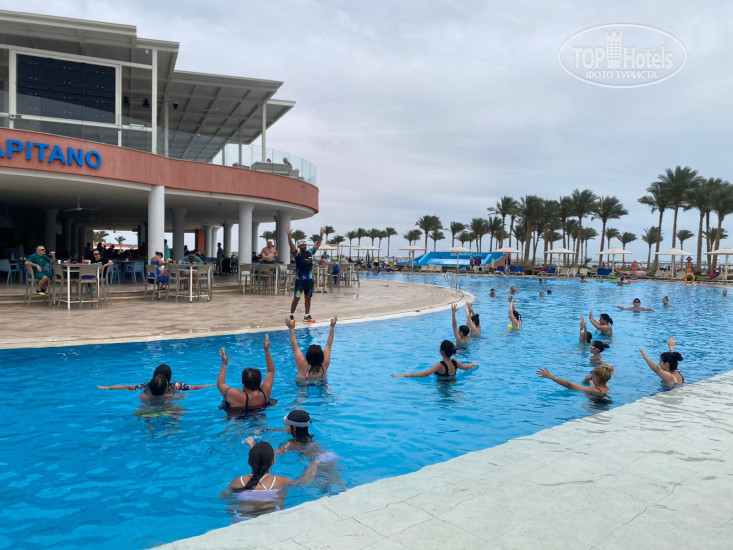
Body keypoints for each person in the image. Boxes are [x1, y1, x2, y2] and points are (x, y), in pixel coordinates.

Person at [222, 441, 319, 502]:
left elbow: (223, 497)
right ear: (273, 462)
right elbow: (306, 482)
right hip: (273, 521)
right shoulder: (281, 481)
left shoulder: (238, 482)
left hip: (241, 519)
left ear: (249, 462)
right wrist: (314, 464)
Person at [217, 338, 275, 413]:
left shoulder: (237, 396)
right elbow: (271, 371)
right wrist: (267, 350)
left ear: (243, 384)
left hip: (238, 416)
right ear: (259, 382)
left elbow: (220, 384)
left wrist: (224, 363)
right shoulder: (265, 393)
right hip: (259, 413)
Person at [98, 363, 213, 396]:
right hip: (167, 405)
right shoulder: (176, 386)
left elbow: (127, 387)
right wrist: (211, 385)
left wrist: (107, 388)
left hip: (149, 405)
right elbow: (195, 387)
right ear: (168, 379)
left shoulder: (146, 385)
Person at [287, 226, 324, 322]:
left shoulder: (309, 253)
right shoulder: (297, 254)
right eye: (303, 245)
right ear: (299, 246)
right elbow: (291, 245)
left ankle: (307, 315)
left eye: (305, 244)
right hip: (300, 280)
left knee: (308, 298)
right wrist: (289, 235)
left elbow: (317, 245)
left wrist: (321, 235)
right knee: (297, 297)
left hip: (309, 280)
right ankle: (291, 315)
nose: (304, 246)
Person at [285, 315, 337, 381]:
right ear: (322, 357)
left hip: (303, 383)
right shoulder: (325, 364)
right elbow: (328, 345)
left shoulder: (302, 364)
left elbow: (295, 347)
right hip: (322, 383)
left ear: (307, 356)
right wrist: (332, 327)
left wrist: (291, 329)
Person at [393, 340, 478, 378]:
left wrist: (404, 375)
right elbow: (466, 367)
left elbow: (425, 374)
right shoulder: (455, 362)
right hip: (453, 383)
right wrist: (473, 364)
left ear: (441, 351)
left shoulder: (440, 365)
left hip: (442, 387)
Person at [537, 364, 613, 397]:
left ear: (597, 378)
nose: (591, 374)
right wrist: (586, 380)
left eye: (592, 373)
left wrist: (551, 377)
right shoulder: (605, 389)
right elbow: (586, 384)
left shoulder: (594, 390)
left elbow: (569, 385)